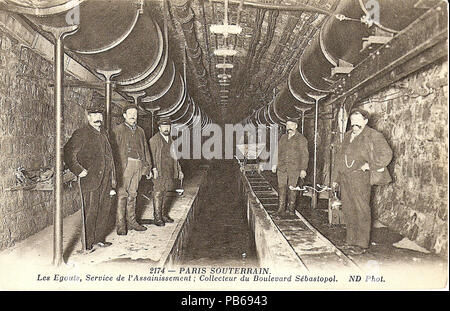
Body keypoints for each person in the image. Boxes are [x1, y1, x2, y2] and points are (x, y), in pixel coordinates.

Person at [332, 108, 393, 255]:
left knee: (361, 209)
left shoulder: (373, 135)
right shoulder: (347, 136)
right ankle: (351, 240)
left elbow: (387, 154)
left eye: (358, 121)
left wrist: (371, 166)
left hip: (361, 178)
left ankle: (361, 243)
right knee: (348, 209)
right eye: (353, 121)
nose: (355, 124)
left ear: (365, 121)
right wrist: (336, 179)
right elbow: (340, 158)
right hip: (346, 177)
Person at [64, 105, 116, 250]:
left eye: (100, 115)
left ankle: (99, 239)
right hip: (90, 180)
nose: (98, 118)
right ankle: (87, 244)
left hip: (105, 179)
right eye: (94, 115)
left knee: (103, 210)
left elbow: (110, 158)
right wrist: (78, 170)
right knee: (90, 211)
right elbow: (68, 152)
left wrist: (113, 181)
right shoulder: (82, 133)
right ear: (88, 117)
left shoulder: (104, 133)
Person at [111, 104, 152, 235]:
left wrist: (148, 166)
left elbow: (145, 149)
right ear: (124, 116)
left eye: (135, 113)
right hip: (125, 165)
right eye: (130, 113)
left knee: (133, 194)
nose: (133, 116)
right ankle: (121, 225)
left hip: (138, 165)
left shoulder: (140, 131)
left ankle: (132, 222)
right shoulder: (118, 130)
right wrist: (115, 170)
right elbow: (113, 151)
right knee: (122, 195)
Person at [149, 117, 184, 226]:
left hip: (169, 170)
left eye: (168, 126)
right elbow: (150, 156)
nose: (166, 128)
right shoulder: (154, 140)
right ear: (159, 128)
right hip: (159, 170)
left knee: (165, 192)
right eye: (163, 126)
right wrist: (153, 169)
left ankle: (163, 215)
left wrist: (179, 171)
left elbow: (175, 157)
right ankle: (157, 217)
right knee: (158, 192)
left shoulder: (172, 140)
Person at [272, 117, 309, 217]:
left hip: (294, 168)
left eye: (291, 125)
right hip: (282, 167)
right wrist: (274, 164)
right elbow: (277, 151)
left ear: (296, 126)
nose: (289, 127)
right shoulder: (283, 137)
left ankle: (291, 210)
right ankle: (280, 210)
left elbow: (305, 155)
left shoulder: (301, 139)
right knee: (281, 187)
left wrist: (303, 169)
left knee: (292, 188)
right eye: (287, 125)